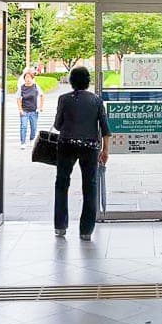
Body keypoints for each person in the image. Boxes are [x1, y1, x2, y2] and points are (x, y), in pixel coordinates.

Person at [52, 66, 110, 240]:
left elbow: (57, 125)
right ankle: (86, 230)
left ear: (71, 82)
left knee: (62, 184)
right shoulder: (96, 100)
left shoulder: (64, 99)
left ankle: (60, 226)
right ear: (88, 81)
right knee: (89, 186)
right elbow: (105, 128)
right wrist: (105, 150)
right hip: (90, 147)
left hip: (66, 145)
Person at [16, 69, 44, 149]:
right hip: (24, 110)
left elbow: (42, 95)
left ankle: (32, 139)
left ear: (32, 78)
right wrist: (20, 109)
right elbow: (18, 98)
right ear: (24, 79)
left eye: (29, 77)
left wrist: (41, 106)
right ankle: (23, 142)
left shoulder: (36, 86)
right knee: (23, 126)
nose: (27, 79)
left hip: (34, 111)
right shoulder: (22, 88)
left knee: (33, 127)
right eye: (26, 78)